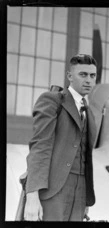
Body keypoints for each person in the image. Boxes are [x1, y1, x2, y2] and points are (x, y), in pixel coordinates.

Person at [24, 54, 97, 221]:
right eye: (83, 74)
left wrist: (85, 199)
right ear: (69, 76)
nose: (88, 80)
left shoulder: (89, 112)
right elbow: (40, 146)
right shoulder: (52, 100)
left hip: (80, 193)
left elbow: (87, 157)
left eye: (92, 76)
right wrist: (32, 195)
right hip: (53, 188)